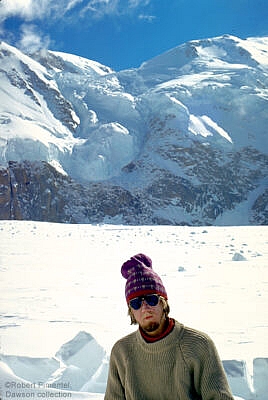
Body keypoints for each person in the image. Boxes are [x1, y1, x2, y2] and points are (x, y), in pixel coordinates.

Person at [104, 253, 234, 400]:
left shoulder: (199, 345)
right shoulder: (121, 352)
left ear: (163, 302)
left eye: (151, 299)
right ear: (131, 311)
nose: (145, 308)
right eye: (136, 303)